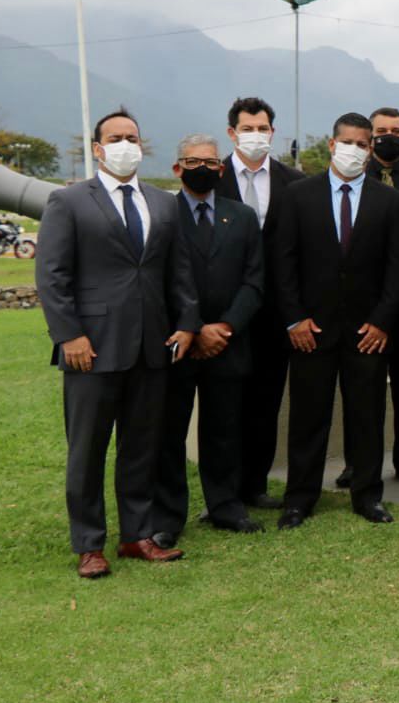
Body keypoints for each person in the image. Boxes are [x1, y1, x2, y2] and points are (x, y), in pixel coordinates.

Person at [35, 109, 200, 578]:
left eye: (132, 137)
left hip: (152, 347)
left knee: (141, 447)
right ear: (98, 147)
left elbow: (179, 271)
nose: (125, 144)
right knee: (86, 450)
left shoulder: (164, 204)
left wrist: (187, 323)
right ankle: (89, 544)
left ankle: (136, 536)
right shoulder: (68, 202)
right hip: (91, 347)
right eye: (115, 137)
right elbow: (52, 275)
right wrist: (69, 334)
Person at [271, 113, 399, 529]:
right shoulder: (298, 195)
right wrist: (294, 318)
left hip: (367, 332)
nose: (354, 150)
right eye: (347, 142)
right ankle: (300, 498)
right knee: (309, 416)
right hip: (311, 329)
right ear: (332, 145)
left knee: (367, 416)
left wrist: (383, 321)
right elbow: (283, 261)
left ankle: (367, 496)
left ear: (370, 151)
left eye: (362, 144)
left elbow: (398, 267)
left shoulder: (390, 201)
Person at [151, 135, 265, 549]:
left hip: (228, 342)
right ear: (177, 168)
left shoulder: (243, 216)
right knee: (170, 432)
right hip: (177, 342)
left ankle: (225, 505)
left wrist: (226, 327)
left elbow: (255, 281)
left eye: (211, 162)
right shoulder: (160, 215)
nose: (204, 168)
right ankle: (167, 515)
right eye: (193, 161)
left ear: (221, 169)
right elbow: (156, 280)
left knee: (225, 429)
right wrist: (195, 327)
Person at [217, 95, 305, 511]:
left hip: (275, 315)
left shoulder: (294, 182)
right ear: (232, 133)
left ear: (273, 132)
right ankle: (223, 491)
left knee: (266, 403)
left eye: (263, 128)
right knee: (225, 405)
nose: (256, 135)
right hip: (226, 314)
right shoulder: (212, 178)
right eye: (247, 129)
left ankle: (254, 485)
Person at [334, 106, 399, 491]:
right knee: (360, 394)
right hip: (362, 309)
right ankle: (357, 464)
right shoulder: (352, 175)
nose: (390, 136)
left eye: (396, 131)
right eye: (381, 131)